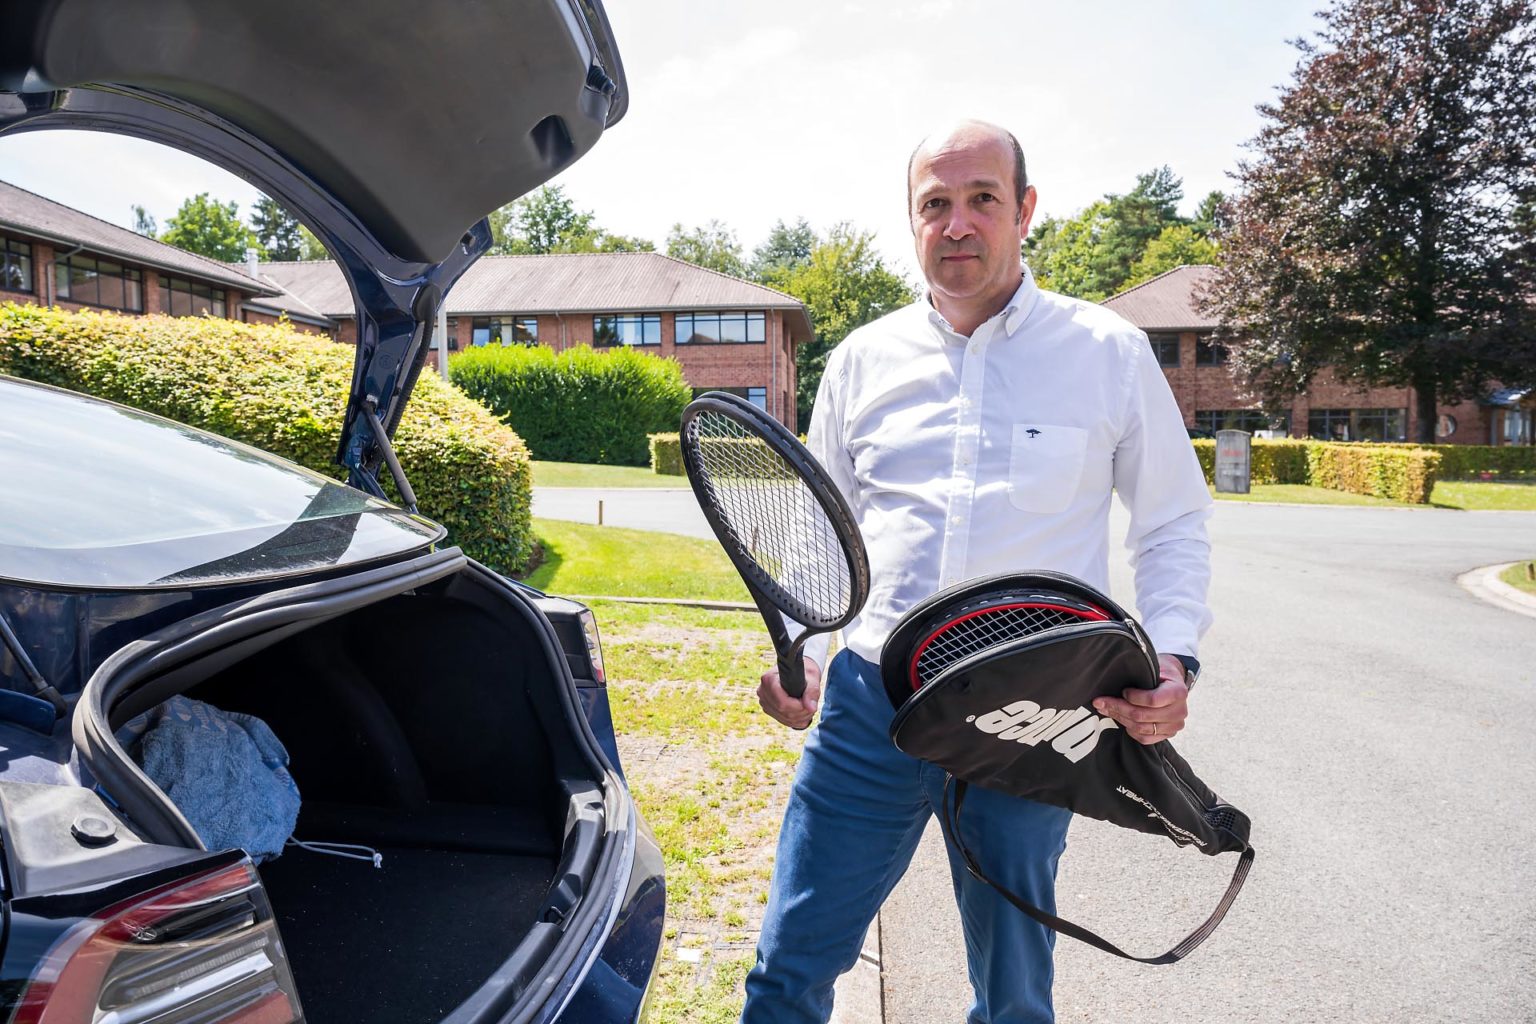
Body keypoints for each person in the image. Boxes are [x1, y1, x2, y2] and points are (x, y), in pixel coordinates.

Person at [738, 119, 1213, 1024]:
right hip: (867, 705)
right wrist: (804, 645)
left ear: (1025, 211)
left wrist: (1176, 656)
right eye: (936, 205)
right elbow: (819, 530)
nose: (958, 224)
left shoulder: (1107, 354)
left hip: (1027, 709)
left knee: (1012, 995)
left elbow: (1172, 521)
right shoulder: (862, 359)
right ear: (912, 220)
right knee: (787, 971)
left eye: (982, 201)